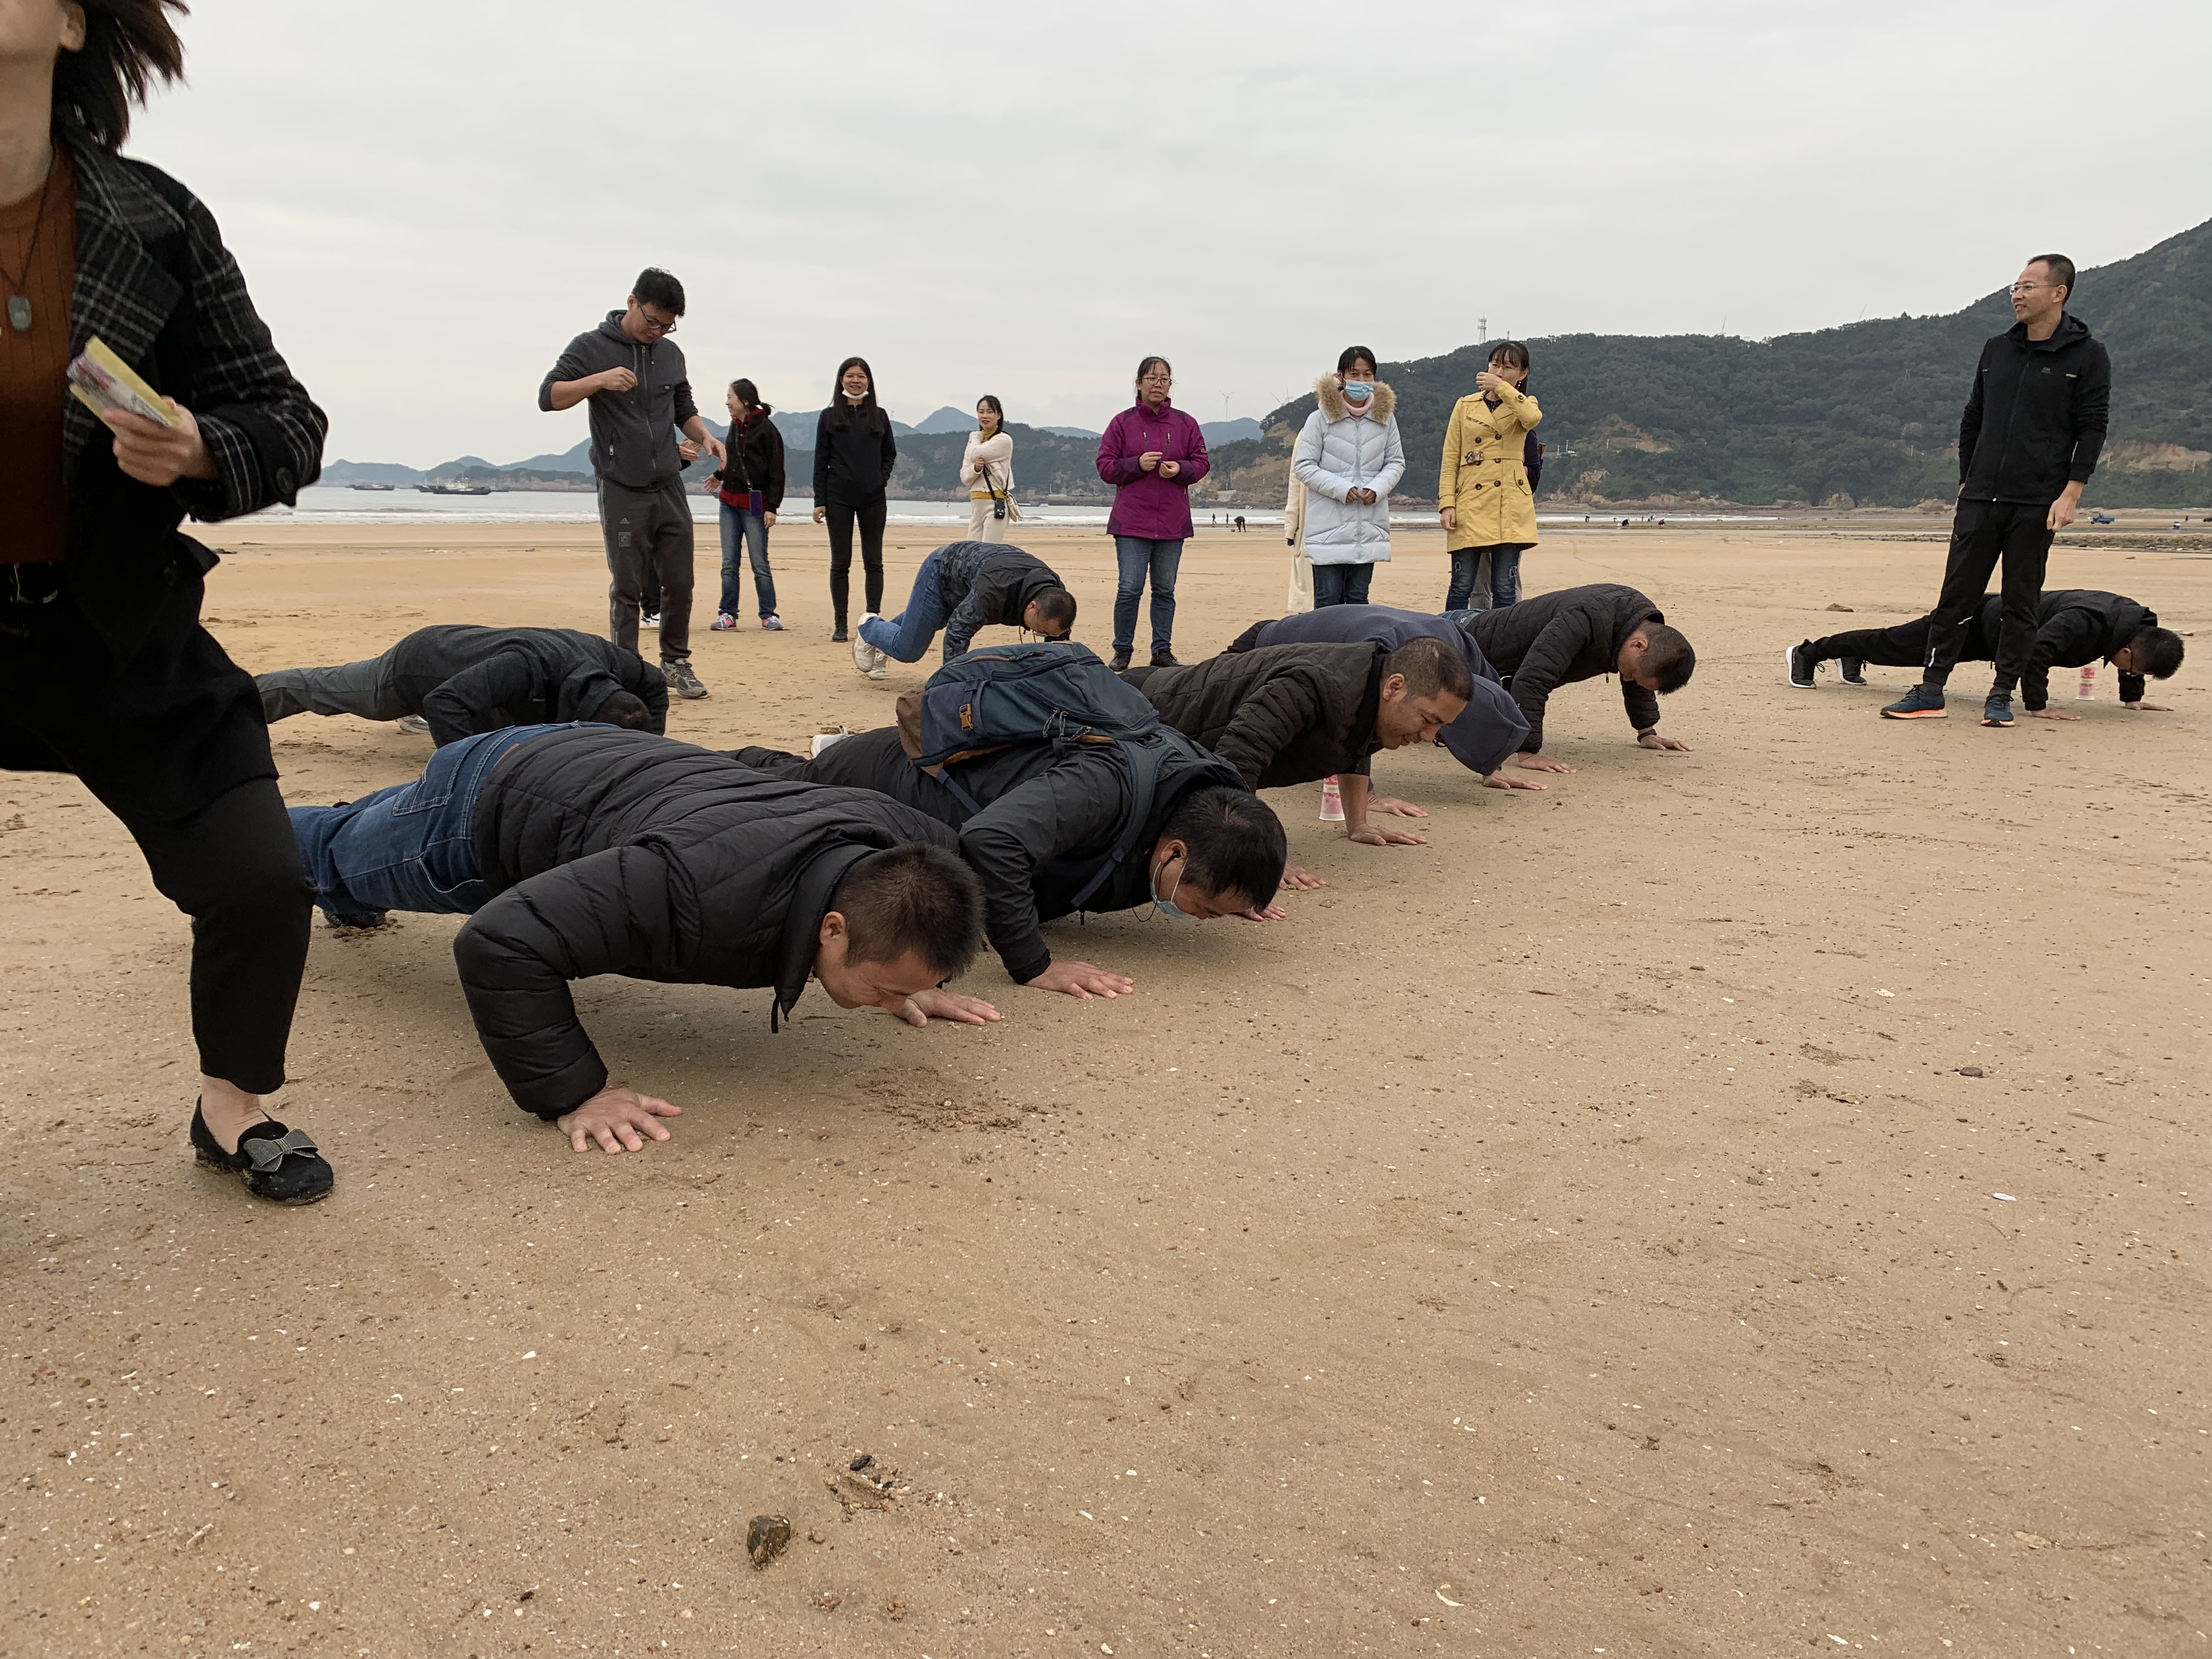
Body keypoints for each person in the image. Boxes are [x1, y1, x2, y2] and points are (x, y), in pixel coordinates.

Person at [0, 1, 337, 1203]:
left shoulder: (154, 217)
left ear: (73, 25)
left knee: (258, 880)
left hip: (114, 625)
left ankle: (232, 1104)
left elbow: (289, 423)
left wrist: (203, 450)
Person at [289, 725, 995, 1152]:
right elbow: (500, 940)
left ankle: (349, 886)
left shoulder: (908, 855)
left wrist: (911, 978)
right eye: (882, 987)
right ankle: (222, 847)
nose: (890, 1001)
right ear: (833, 928)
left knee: (365, 832)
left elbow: (939, 892)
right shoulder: (691, 886)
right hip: (495, 799)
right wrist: (575, 1094)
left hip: (610, 765)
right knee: (324, 857)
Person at [731, 726, 1285, 1000]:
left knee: (781, 779)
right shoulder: (1106, 786)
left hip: (914, 795)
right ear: (1175, 853)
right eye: (1208, 908)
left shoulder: (1197, 800)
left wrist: (1244, 887)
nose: (1206, 918)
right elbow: (994, 841)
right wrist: (1034, 964)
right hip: (888, 784)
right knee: (758, 794)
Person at [1879, 255, 2112, 727]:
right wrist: (1968, 478)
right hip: (1981, 496)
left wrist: (2072, 492)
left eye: (2028, 286)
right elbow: (1974, 417)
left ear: (2058, 293)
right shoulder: (1996, 349)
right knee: (1956, 597)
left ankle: (2001, 694)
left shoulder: (2087, 356)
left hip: (2038, 500)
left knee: (2020, 601)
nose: (2017, 295)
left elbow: (2092, 428)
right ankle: (1931, 689)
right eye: (2015, 286)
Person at [1127, 636, 1471, 880]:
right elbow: (1239, 758)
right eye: (1428, 720)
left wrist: (1358, 824)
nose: (1429, 737)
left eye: (1441, 726)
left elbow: (1356, 745)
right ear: (1394, 687)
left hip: (1165, 731)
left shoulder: (1378, 699)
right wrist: (1247, 859)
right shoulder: (1313, 685)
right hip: (1138, 710)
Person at [539, 267, 721, 700]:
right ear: (632, 303)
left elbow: (684, 409)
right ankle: (624, 671)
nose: (658, 331)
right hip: (621, 485)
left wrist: (706, 436)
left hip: (669, 484)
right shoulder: (591, 347)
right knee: (629, 587)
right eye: (653, 321)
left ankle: (676, 662)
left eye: (668, 325)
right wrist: (599, 380)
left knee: (679, 581)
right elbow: (548, 397)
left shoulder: (671, 354)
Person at [1226, 605, 1535, 797]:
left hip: (1302, 654)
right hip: (1262, 649)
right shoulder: (1384, 651)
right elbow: (1356, 720)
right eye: (1432, 723)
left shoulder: (1459, 653)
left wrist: (1489, 764)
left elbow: (1493, 703)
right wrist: (1368, 796)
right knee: (1221, 737)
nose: (1430, 737)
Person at [1790, 590, 2183, 715]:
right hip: (1978, 620)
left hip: (1998, 630)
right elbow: (2037, 651)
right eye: (2137, 671)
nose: (2134, 672)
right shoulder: (2084, 622)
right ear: (2128, 650)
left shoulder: (2137, 627)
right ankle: (1809, 652)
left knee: (1895, 648)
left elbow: (2135, 661)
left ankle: (1851, 657)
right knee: (1896, 643)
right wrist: (2038, 706)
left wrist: (2132, 700)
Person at [258, 624, 668, 742]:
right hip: (417, 668)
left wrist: (653, 743)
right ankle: (228, 703)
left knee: (513, 735)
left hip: (480, 677)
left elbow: (655, 684)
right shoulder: (525, 667)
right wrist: (463, 771)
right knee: (316, 688)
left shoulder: (610, 662)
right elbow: (443, 702)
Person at [1460, 583, 1695, 770]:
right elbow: (1532, 680)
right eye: (1632, 674)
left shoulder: (1639, 627)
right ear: (1639, 645)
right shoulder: (1584, 617)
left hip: (1492, 656)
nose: (1629, 679)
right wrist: (1528, 752)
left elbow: (1639, 680)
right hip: (1463, 638)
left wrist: (1647, 732)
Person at [1096, 356, 1210, 670]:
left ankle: (1162, 650)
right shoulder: (1122, 422)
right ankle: (1122, 651)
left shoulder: (1186, 423)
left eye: (1164, 379)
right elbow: (1105, 466)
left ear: (1171, 384)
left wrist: (1181, 469)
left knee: (1165, 590)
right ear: (1138, 383)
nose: (1158, 384)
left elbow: (1202, 463)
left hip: (1173, 522)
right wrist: (1136, 464)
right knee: (1129, 588)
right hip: (1132, 521)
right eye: (1151, 378)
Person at [1293, 347, 1406, 608]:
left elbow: (1396, 462)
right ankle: (1324, 650)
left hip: (1367, 527)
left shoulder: (1386, 420)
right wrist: (1342, 489)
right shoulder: (1318, 419)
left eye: (1368, 375)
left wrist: (1376, 489)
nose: (1362, 381)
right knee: (1328, 601)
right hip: (1327, 529)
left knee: (1357, 601)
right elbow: (1304, 466)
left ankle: (1356, 651)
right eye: (1355, 374)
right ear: (1341, 376)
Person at [855, 540, 1076, 674]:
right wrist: (952, 682)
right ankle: (870, 627)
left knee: (928, 620)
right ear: (1032, 606)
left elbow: (1059, 642)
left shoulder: (1055, 598)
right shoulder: (993, 592)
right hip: (941, 573)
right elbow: (957, 633)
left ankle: (883, 640)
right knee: (908, 649)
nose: (1042, 636)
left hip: (973, 578)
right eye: (1040, 632)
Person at [1440, 341, 1542, 612]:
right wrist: (1447, 504)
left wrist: (1501, 388)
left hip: (1508, 502)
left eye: (1508, 367)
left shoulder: (1524, 405)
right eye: (1495, 365)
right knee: (1461, 585)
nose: (1498, 371)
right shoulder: (1465, 406)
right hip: (1470, 502)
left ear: (1522, 374)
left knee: (1505, 588)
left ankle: (1502, 647)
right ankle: (1452, 640)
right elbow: (1451, 458)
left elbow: (1532, 418)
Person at [810, 356, 898, 641]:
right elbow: (820, 461)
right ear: (841, 380)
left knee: (874, 561)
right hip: (838, 499)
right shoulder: (829, 416)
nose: (855, 381)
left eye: (861, 376)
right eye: (850, 376)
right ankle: (840, 625)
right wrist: (819, 500)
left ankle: (872, 619)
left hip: (873, 498)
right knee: (841, 563)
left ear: (869, 381)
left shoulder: (880, 416)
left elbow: (890, 454)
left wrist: (880, 479)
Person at [705, 377, 783, 631]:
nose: (727, 402)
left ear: (745, 401)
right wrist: (719, 476)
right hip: (728, 502)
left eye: (731, 397)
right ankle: (728, 614)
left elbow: (777, 472)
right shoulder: (734, 426)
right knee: (730, 563)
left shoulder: (768, 431)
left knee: (760, 563)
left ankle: (769, 614)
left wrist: (773, 507)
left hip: (755, 505)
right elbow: (734, 461)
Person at [961, 395, 1019, 541]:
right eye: (981, 412)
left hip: (995, 501)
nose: (984, 416)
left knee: (989, 551)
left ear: (998, 415)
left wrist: (974, 436)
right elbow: (965, 478)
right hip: (976, 503)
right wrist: (976, 468)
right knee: (972, 552)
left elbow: (975, 453)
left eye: (989, 412)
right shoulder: (978, 441)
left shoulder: (1003, 440)